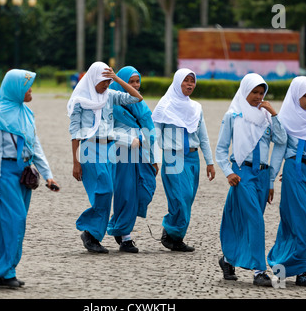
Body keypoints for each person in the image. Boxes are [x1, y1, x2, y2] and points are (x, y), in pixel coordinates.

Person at [0, 69, 60, 288]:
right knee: (14, 221)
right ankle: (5, 271)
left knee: (13, 223)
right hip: (5, 174)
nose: (31, 90)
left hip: (24, 174)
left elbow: (34, 145)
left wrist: (48, 175)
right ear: (15, 88)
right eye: (27, 86)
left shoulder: (26, 113)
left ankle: (4, 271)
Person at [215, 73, 287, 286]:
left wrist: (274, 114)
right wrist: (228, 172)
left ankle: (227, 259)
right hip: (242, 174)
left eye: (261, 92)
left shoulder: (266, 118)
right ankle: (259, 271)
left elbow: (282, 140)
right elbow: (220, 149)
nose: (258, 96)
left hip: (263, 176)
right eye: (254, 92)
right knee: (256, 220)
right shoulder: (233, 116)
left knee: (248, 222)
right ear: (244, 91)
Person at [68, 61, 143, 254]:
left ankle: (92, 235)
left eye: (108, 82)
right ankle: (90, 232)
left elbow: (137, 98)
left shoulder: (110, 95)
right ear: (93, 79)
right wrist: (76, 162)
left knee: (106, 193)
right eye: (103, 81)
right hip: (89, 148)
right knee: (105, 190)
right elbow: (75, 132)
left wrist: (116, 78)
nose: (106, 85)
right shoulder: (80, 100)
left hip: (108, 149)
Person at [267, 76, 306, 287]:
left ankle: (280, 264)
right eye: (305, 95)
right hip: (295, 172)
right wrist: (271, 180)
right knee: (301, 222)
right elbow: (279, 151)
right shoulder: (285, 119)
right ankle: (302, 272)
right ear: (296, 95)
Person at [152, 68, 215, 252]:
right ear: (178, 82)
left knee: (188, 199)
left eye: (192, 81)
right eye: (186, 80)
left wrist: (210, 162)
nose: (189, 84)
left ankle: (176, 238)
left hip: (193, 157)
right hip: (173, 156)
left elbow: (203, 136)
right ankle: (169, 231)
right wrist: (154, 159)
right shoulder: (164, 106)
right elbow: (155, 134)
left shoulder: (196, 108)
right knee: (181, 197)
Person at [107, 66, 158, 253]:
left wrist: (153, 158)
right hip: (121, 153)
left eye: (137, 81)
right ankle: (125, 236)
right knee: (126, 193)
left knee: (145, 190)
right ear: (121, 82)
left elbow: (150, 129)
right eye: (131, 82)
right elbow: (107, 130)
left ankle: (118, 224)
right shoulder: (112, 102)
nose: (136, 85)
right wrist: (129, 140)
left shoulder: (140, 104)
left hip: (142, 153)